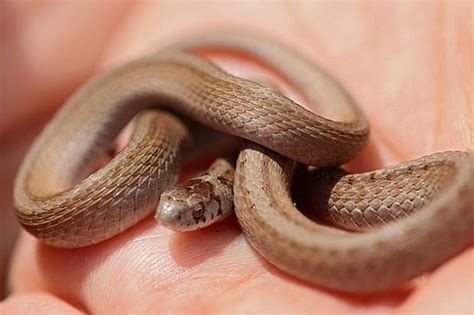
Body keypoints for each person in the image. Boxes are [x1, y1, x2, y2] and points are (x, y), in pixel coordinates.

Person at [1, 2, 472, 313]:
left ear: (225, 200)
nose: (175, 217)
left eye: (196, 213)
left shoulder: (256, 159)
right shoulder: (163, 136)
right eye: (185, 209)